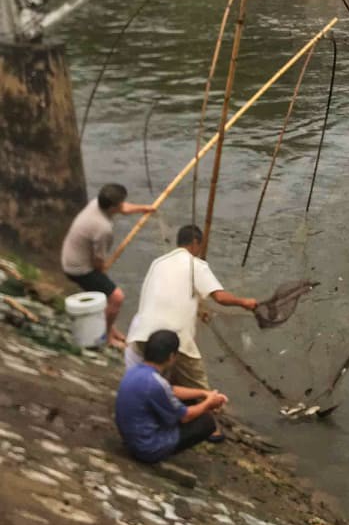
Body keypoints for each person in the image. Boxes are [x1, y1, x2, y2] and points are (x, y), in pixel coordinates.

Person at [124, 224, 257, 391]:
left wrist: (199, 310)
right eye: (200, 246)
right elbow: (220, 297)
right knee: (202, 392)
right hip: (174, 341)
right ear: (195, 243)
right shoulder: (196, 265)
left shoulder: (158, 263)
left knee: (161, 382)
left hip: (142, 336)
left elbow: (173, 293)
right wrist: (244, 302)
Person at [59, 183, 154, 347]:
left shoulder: (96, 203)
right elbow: (98, 261)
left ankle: (109, 327)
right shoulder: (102, 228)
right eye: (121, 203)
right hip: (78, 269)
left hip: (70, 256)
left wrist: (143, 208)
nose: (123, 205)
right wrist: (101, 272)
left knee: (106, 294)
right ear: (112, 207)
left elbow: (123, 209)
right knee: (116, 298)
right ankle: (108, 336)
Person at [115, 330, 228, 463]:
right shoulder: (157, 384)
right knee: (206, 422)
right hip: (147, 448)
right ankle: (163, 450)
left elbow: (171, 390)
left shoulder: (136, 371)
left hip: (132, 437)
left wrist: (203, 393)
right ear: (171, 356)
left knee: (189, 401)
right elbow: (185, 416)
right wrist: (208, 403)